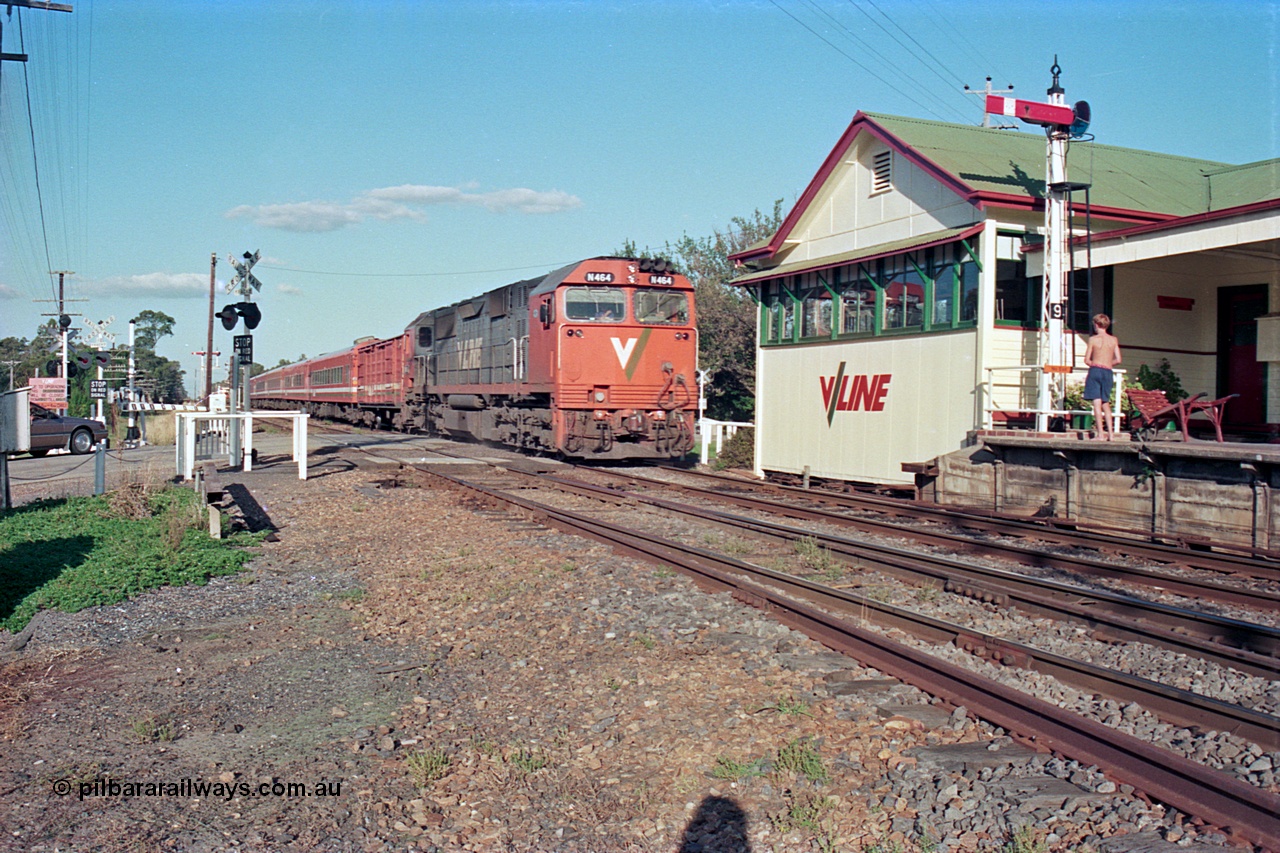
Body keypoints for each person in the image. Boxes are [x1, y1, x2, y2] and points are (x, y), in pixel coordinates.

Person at [1083, 313, 1122, 440]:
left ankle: (1100, 434)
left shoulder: (1093, 339)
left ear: (1096, 324)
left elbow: (1087, 360)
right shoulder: (1113, 340)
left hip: (1095, 370)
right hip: (1107, 372)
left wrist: (1095, 364)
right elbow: (1118, 359)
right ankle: (1111, 434)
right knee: (1106, 403)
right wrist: (1107, 364)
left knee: (1097, 403)